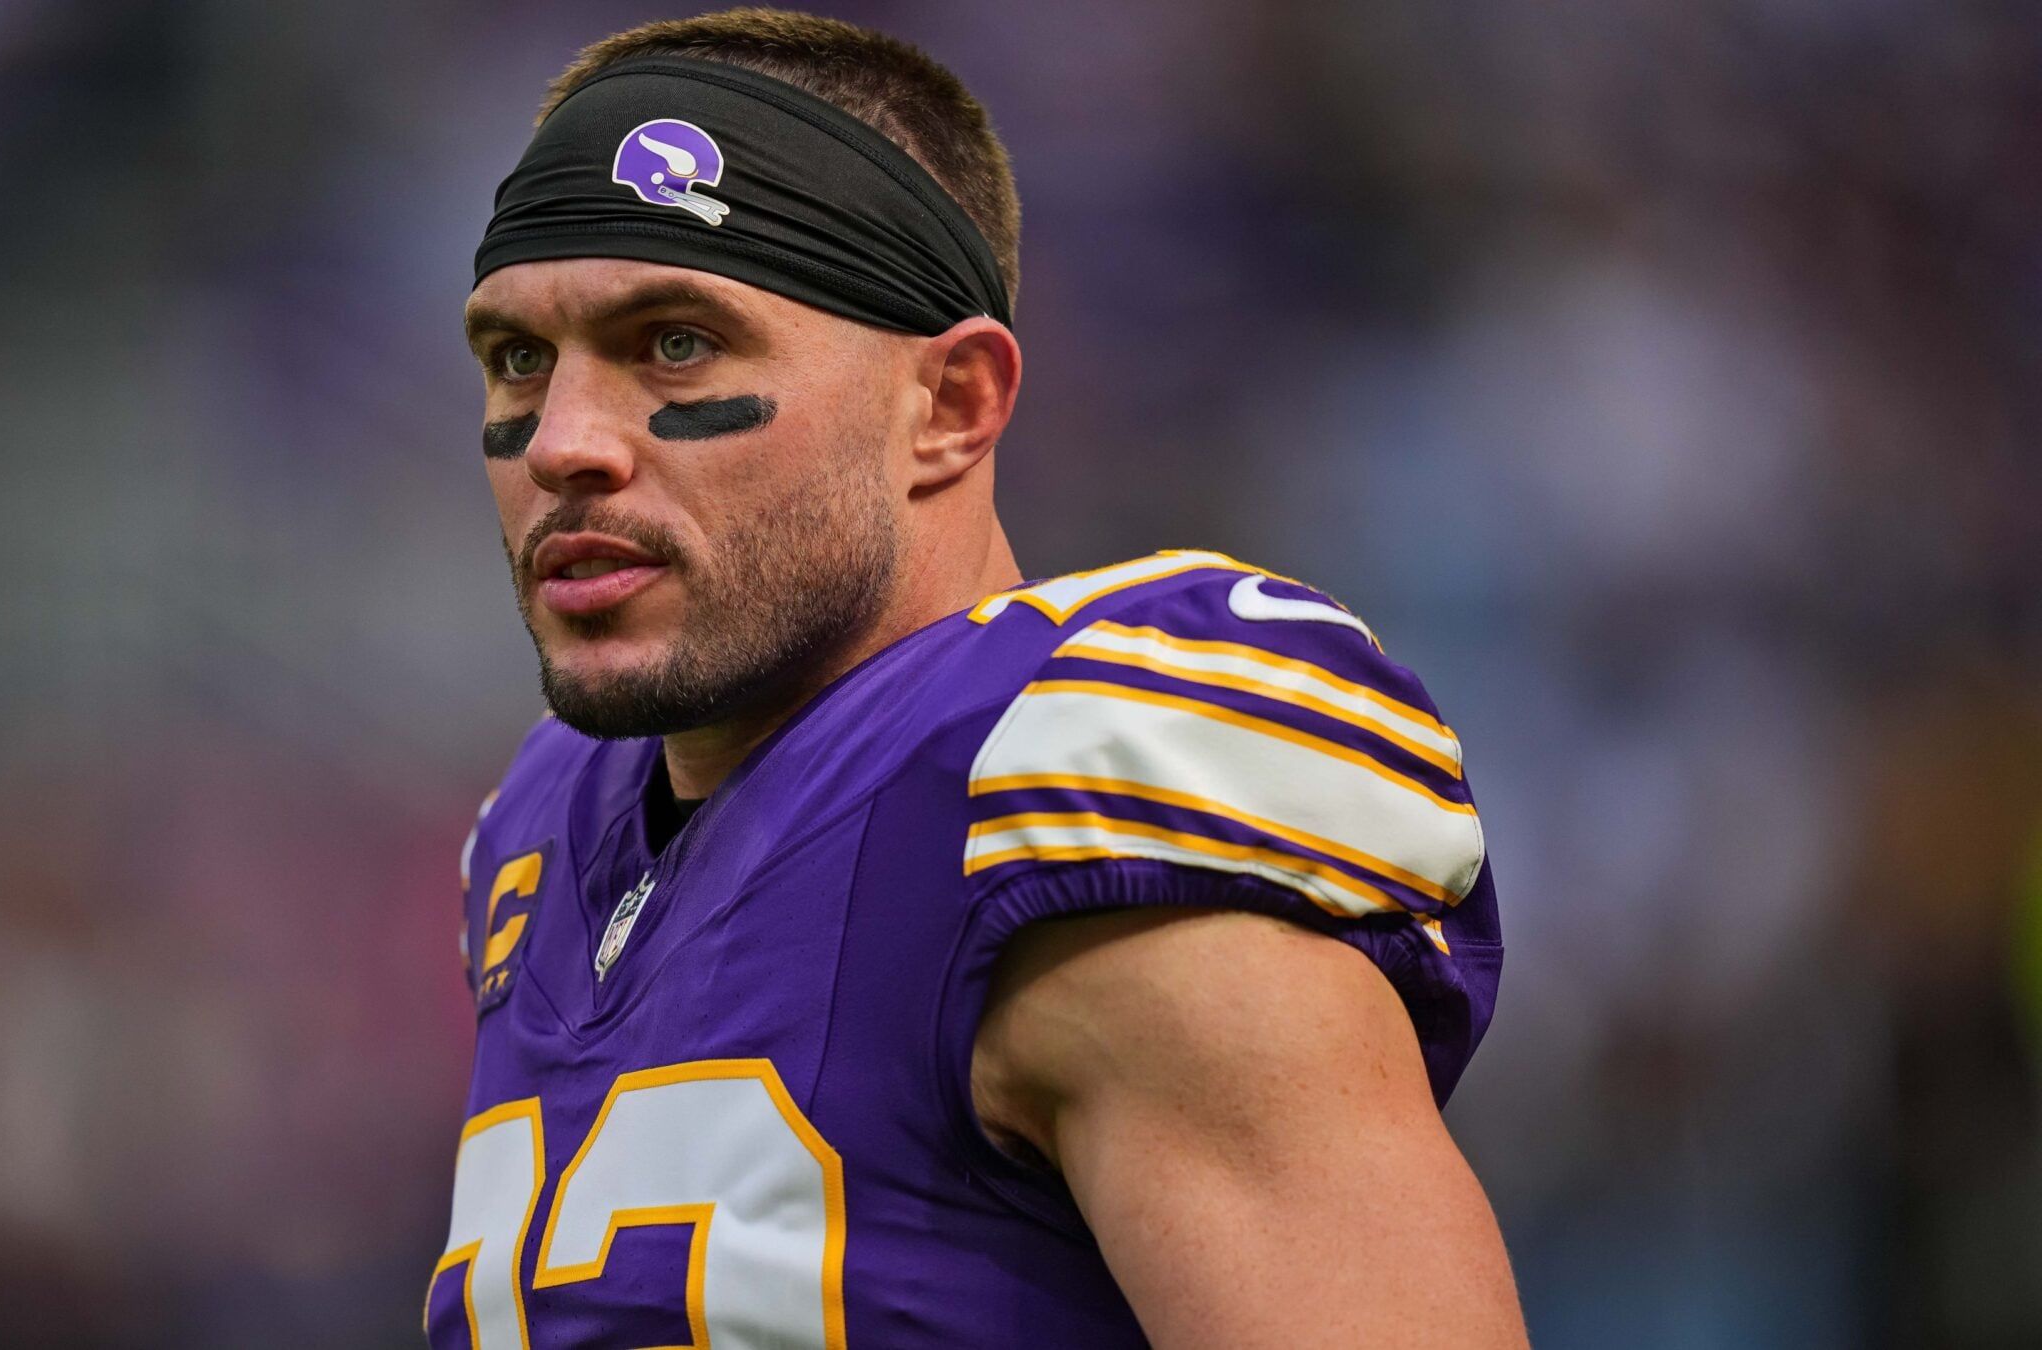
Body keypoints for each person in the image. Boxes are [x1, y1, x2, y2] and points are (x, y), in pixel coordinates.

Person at [432, 10, 1524, 1346]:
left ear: (948, 407)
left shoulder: (1067, 786)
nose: (563, 443)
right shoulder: (545, 831)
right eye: (518, 359)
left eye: (675, 343)